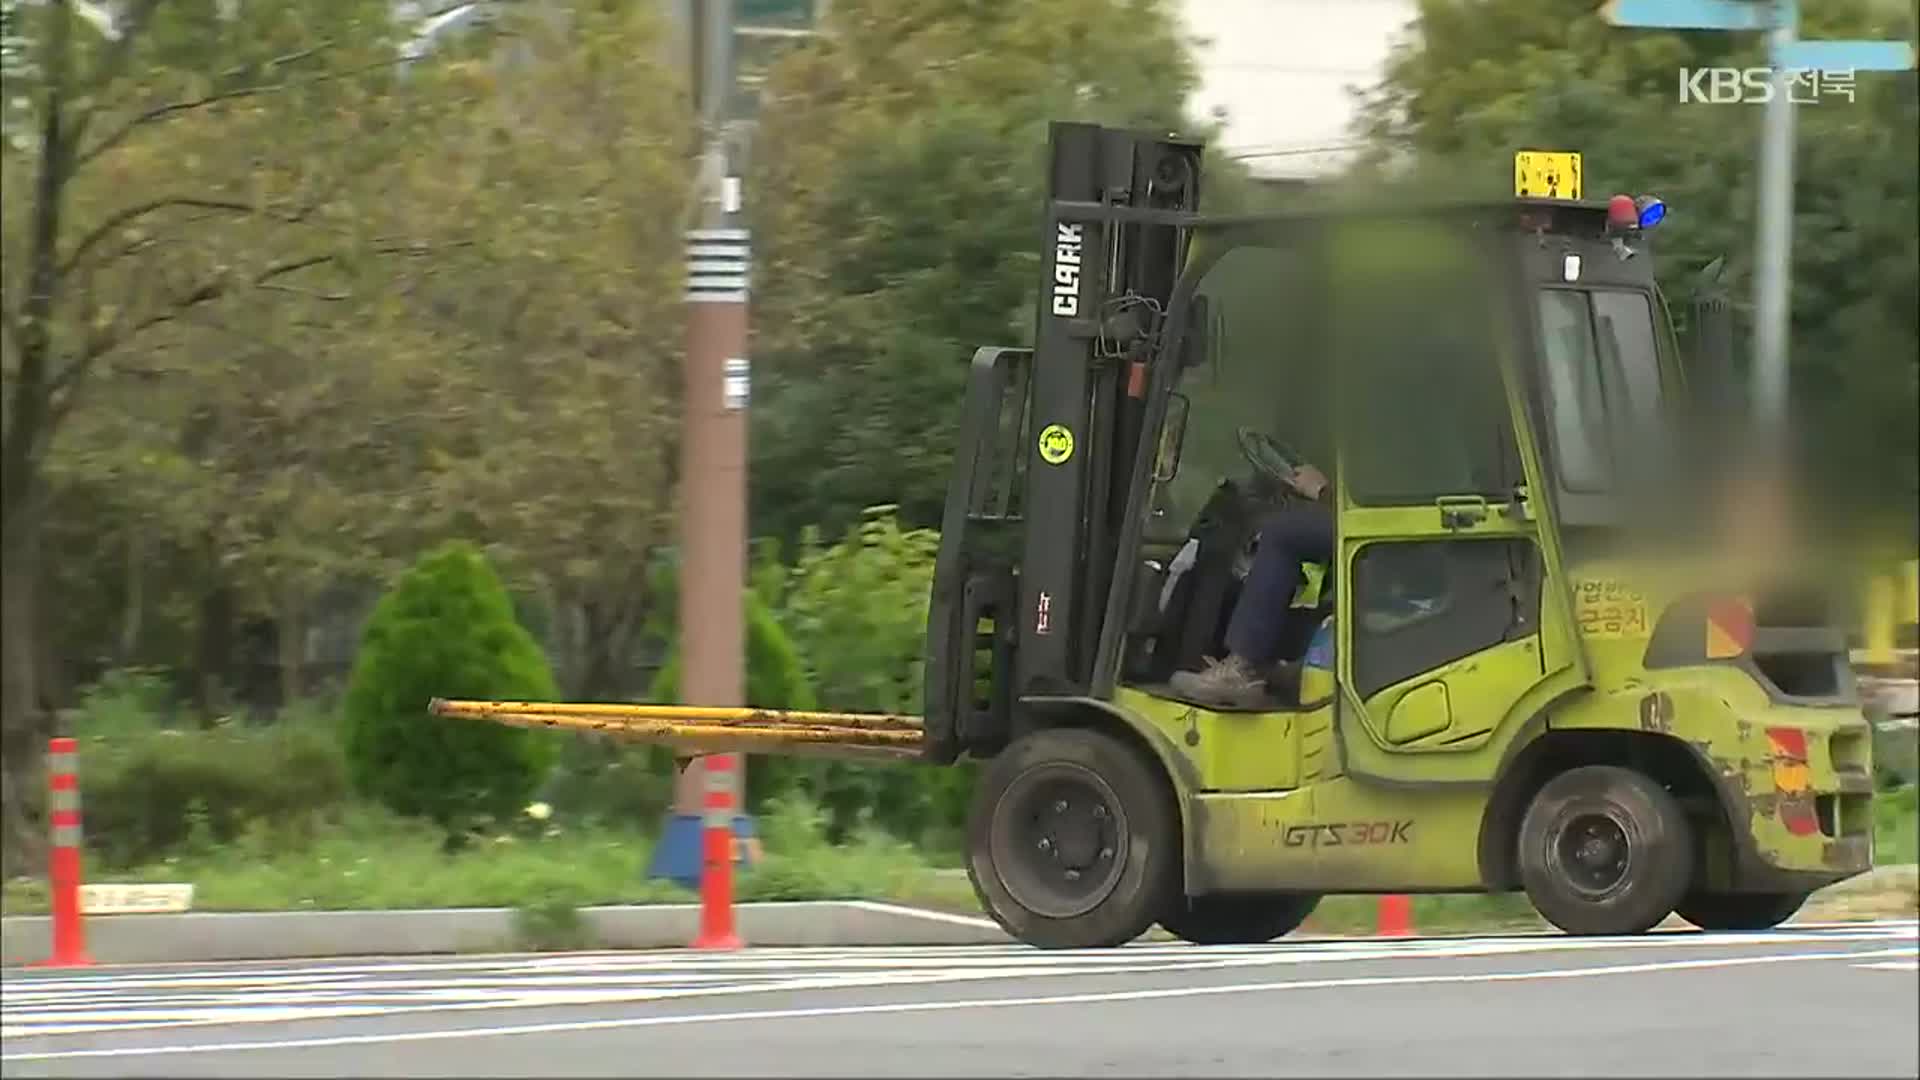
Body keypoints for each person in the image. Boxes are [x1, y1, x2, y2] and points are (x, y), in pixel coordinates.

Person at [1168, 461, 1334, 708]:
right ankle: (1271, 665)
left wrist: (1323, 491)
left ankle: (1243, 667)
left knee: (1282, 533)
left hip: (1383, 524)